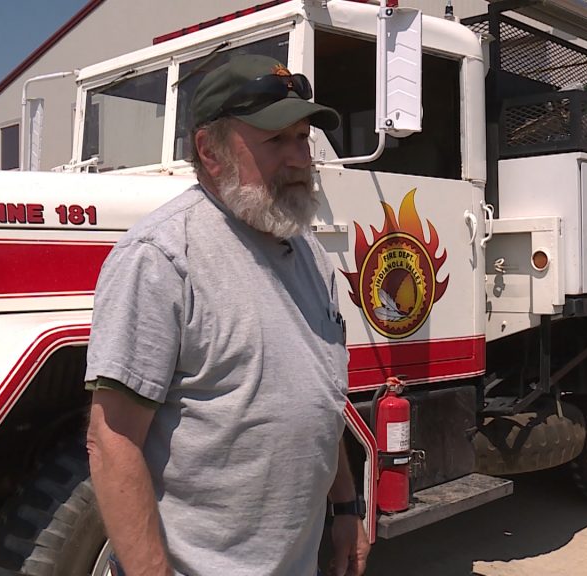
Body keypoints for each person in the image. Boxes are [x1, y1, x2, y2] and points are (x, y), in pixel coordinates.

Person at [85, 54, 369, 576]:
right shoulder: (162, 257)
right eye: (276, 140)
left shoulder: (309, 254)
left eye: (303, 138)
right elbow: (112, 441)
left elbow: (318, 401)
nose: (300, 159)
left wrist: (347, 505)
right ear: (210, 152)